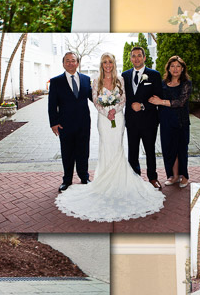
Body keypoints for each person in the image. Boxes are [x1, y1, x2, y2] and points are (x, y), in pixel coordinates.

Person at [54, 52, 165, 222]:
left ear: (113, 63)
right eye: (104, 62)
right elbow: (95, 99)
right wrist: (107, 111)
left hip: (118, 118)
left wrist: (115, 110)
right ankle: (102, 178)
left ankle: (123, 178)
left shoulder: (120, 79)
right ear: (101, 64)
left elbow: (123, 99)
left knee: (118, 146)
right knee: (105, 146)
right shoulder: (96, 80)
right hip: (104, 120)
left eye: (110, 62)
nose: (107, 64)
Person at [47, 52, 91, 192]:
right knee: (67, 153)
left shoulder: (86, 79)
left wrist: (109, 105)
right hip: (65, 124)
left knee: (83, 151)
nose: (71, 63)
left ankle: (84, 177)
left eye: (73, 60)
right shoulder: (56, 81)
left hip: (84, 123)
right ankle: (67, 180)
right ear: (63, 63)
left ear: (77, 63)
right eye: (67, 61)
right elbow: (52, 104)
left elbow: (93, 98)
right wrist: (53, 123)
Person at [121, 46, 163, 189]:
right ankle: (134, 178)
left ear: (144, 58)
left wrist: (143, 105)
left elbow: (159, 97)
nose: (136, 58)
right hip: (131, 121)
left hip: (149, 120)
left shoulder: (154, 75)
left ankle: (153, 178)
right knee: (132, 150)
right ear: (130, 58)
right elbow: (122, 96)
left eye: (139, 55)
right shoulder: (124, 75)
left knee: (150, 150)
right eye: (133, 56)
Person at [149, 55, 192, 188]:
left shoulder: (186, 83)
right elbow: (153, 97)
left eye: (178, 66)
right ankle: (173, 176)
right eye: (172, 66)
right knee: (169, 149)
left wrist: (161, 102)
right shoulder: (162, 84)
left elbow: (180, 102)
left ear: (182, 68)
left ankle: (184, 177)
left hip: (181, 121)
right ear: (168, 68)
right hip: (166, 121)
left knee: (181, 149)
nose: (175, 69)